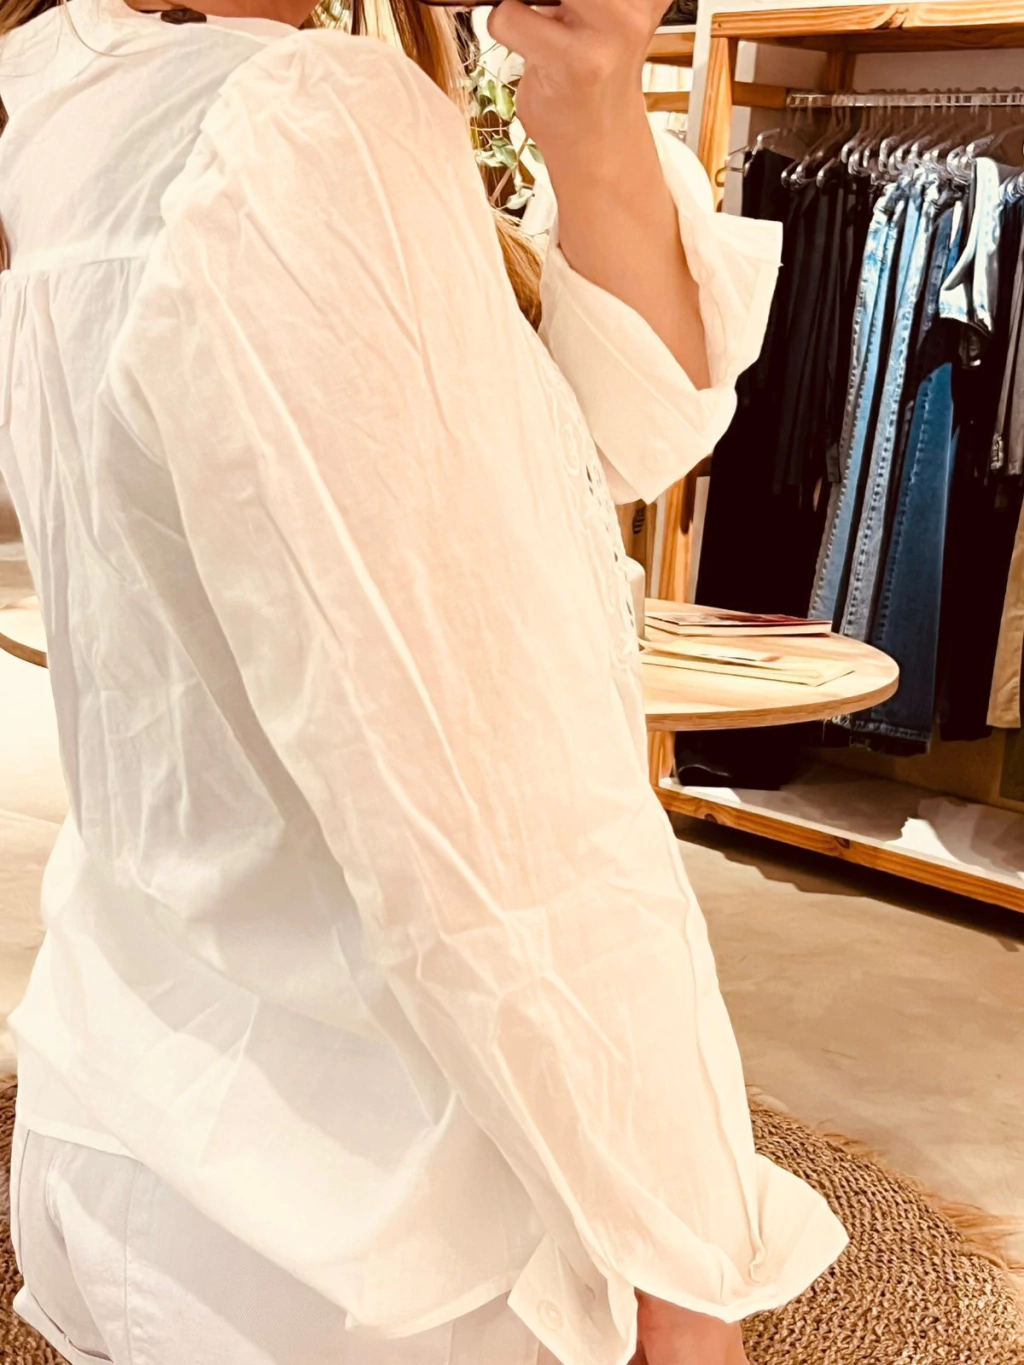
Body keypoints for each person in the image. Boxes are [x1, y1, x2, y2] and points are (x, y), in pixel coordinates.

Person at [0, 0, 848, 1358]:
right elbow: (493, 823)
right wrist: (681, 1265)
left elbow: (634, 422)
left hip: (158, 1098)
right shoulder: (305, 130)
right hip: (377, 1217)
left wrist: (586, 93)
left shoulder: (77, 91)